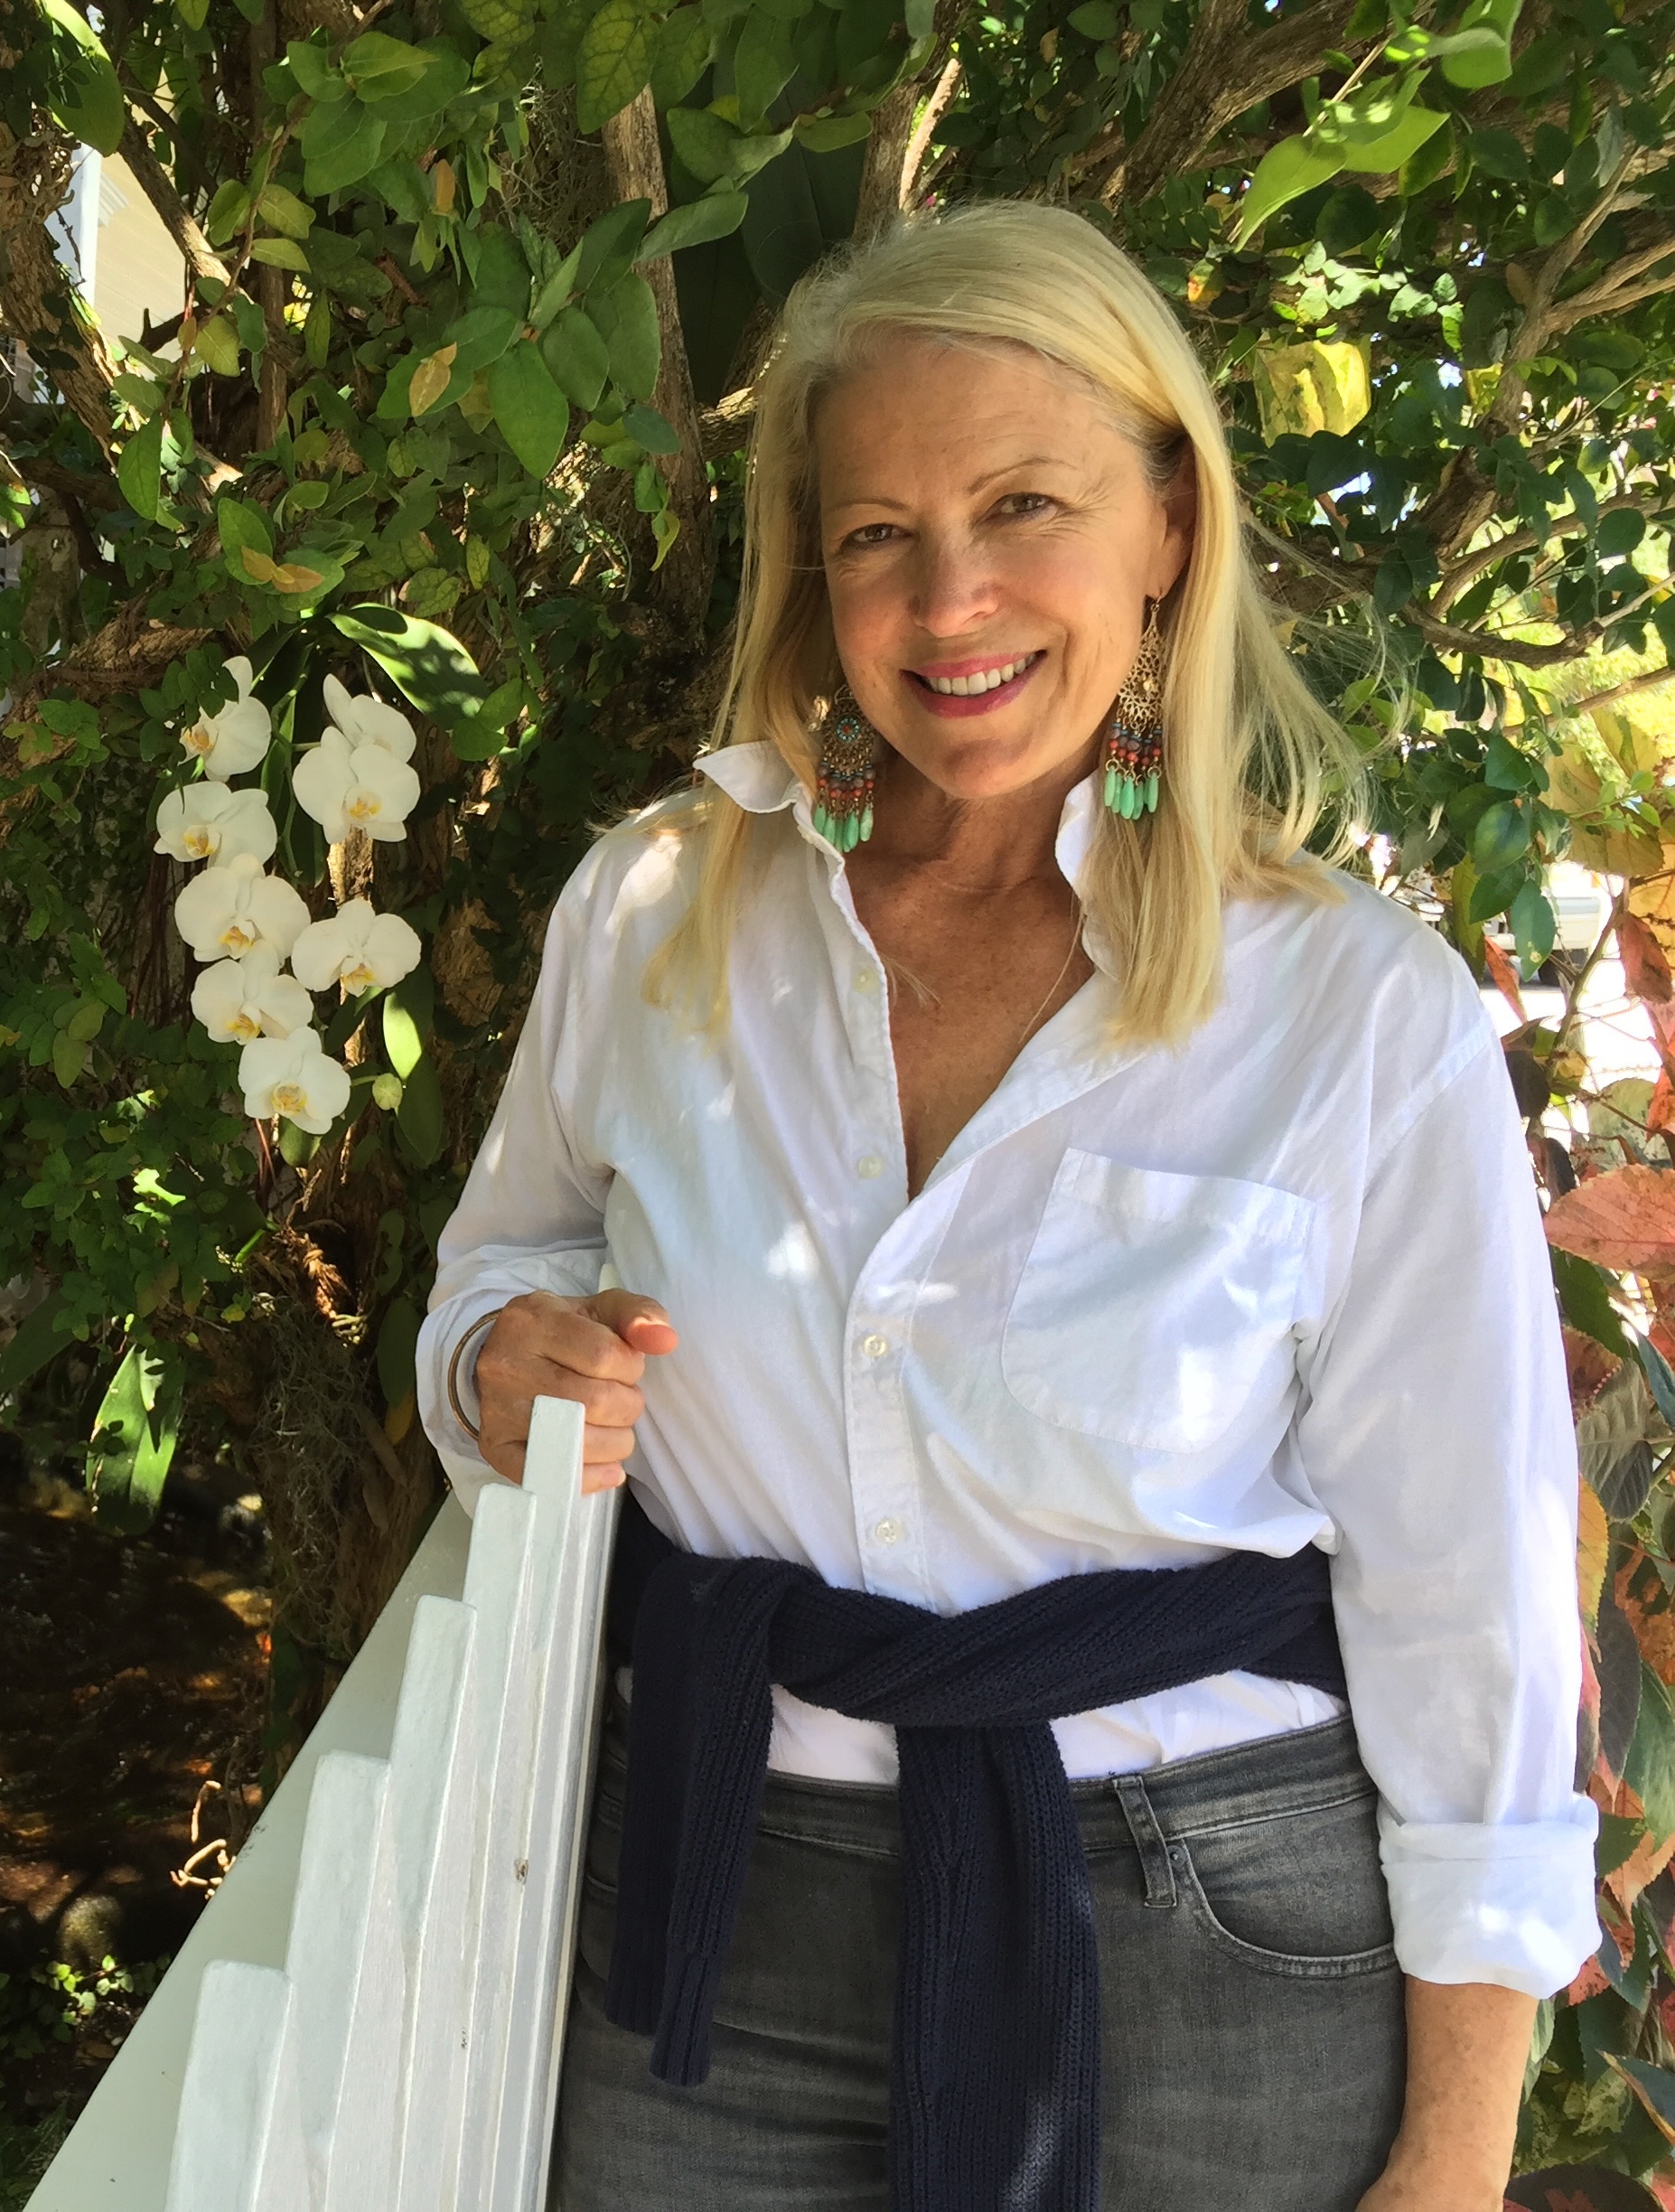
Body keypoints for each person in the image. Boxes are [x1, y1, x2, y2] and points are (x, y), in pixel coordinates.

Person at [416, 201, 1594, 2212]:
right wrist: (502, 1367)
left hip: (1207, 1936)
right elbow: (501, 1268)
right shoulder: (655, 918)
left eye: (1024, 505)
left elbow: (1465, 1591)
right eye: (877, 531)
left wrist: (1457, 2149)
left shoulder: (1352, 1014)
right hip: (716, 1907)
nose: (950, 599)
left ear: (1170, 526)